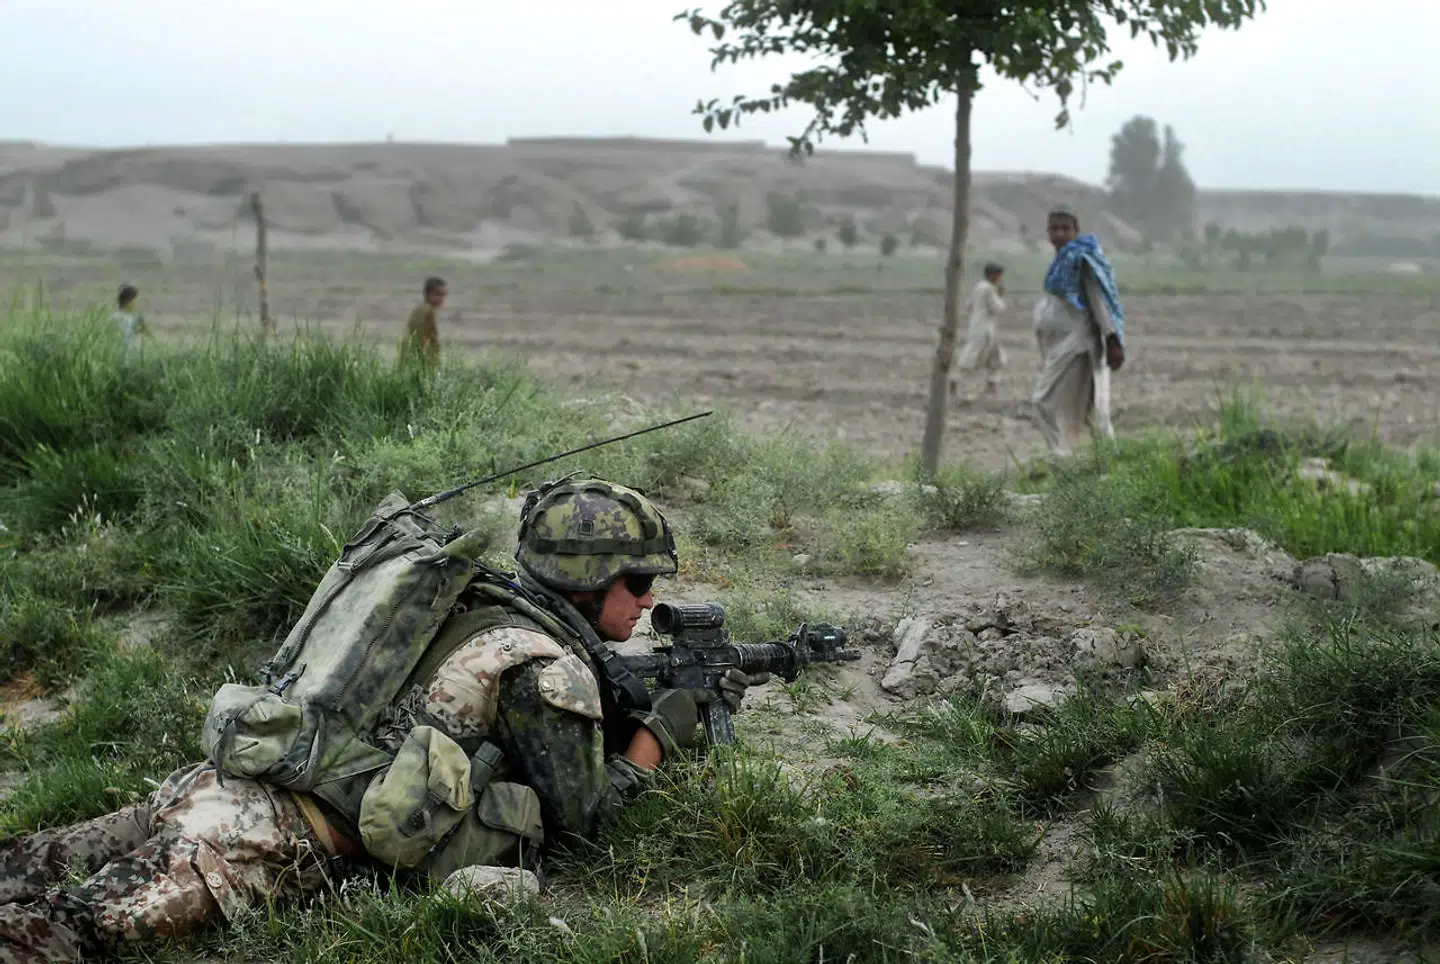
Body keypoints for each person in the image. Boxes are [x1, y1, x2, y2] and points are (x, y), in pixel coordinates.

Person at [0, 479, 767, 963]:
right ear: (590, 579)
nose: (645, 602)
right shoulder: (544, 666)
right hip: (256, 843)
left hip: (216, 781)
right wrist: (659, 734)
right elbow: (587, 820)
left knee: (22, 863)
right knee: (61, 930)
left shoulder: (467, 601)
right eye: (636, 582)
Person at [1029, 208, 1126, 458]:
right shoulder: (1061, 263)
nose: (1060, 234)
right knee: (1093, 409)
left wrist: (1112, 339)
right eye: (1054, 228)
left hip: (1079, 342)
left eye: (1065, 228)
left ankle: (1061, 459)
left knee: (1043, 400)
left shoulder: (1082, 260)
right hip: (1064, 342)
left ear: (1076, 230)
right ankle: (1108, 462)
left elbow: (1098, 300)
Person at [951, 262, 1008, 399]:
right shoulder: (989, 289)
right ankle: (955, 380)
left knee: (997, 358)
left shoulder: (978, 287)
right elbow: (997, 308)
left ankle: (991, 385)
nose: (1000, 279)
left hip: (977, 327)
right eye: (999, 276)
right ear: (992, 275)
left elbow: (968, 305)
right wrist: (1000, 296)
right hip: (985, 330)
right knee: (972, 357)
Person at [398, 277, 446, 367]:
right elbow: (424, 340)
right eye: (438, 294)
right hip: (419, 362)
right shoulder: (427, 312)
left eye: (443, 295)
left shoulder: (419, 310)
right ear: (428, 294)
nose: (441, 299)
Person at [109, 285, 146, 351]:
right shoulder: (115, 317)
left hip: (133, 354)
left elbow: (141, 333)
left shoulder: (135, 317)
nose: (136, 303)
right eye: (134, 300)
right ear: (128, 301)